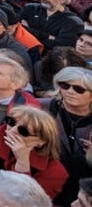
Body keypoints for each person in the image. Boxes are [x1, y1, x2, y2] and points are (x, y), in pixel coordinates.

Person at [0, 104, 68, 200]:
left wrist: (22, 163)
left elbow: (28, 202)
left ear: (41, 141)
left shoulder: (56, 172)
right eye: (11, 122)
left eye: (23, 131)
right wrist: (2, 197)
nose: (12, 130)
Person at [42, 66, 92, 206]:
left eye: (79, 89)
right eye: (65, 85)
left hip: (82, 193)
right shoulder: (40, 108)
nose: (70, 91)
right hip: (46, 184)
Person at [20, 0, 84, 50]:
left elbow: (60, 47)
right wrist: (48, 36)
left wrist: (28, 30)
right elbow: (16, 29)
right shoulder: (30, 8)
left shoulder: (73, 22)